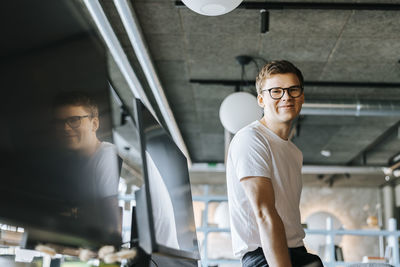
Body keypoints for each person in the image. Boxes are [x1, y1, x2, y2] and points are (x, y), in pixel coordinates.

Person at [226, 60, 323, 267]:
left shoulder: (294, 152)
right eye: (276, 91)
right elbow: (265, 213)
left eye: (293, 90)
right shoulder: (251, 139)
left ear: (302, 96)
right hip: (266, 256)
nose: (286, 96)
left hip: (298, 252)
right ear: (261, 99)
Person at [52, 92, 120, 202]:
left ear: (94, 124)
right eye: (59, 122)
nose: (65, 128)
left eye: (74, 120)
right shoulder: (75, 164)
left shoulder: (108, 156)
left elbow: (110, 215)